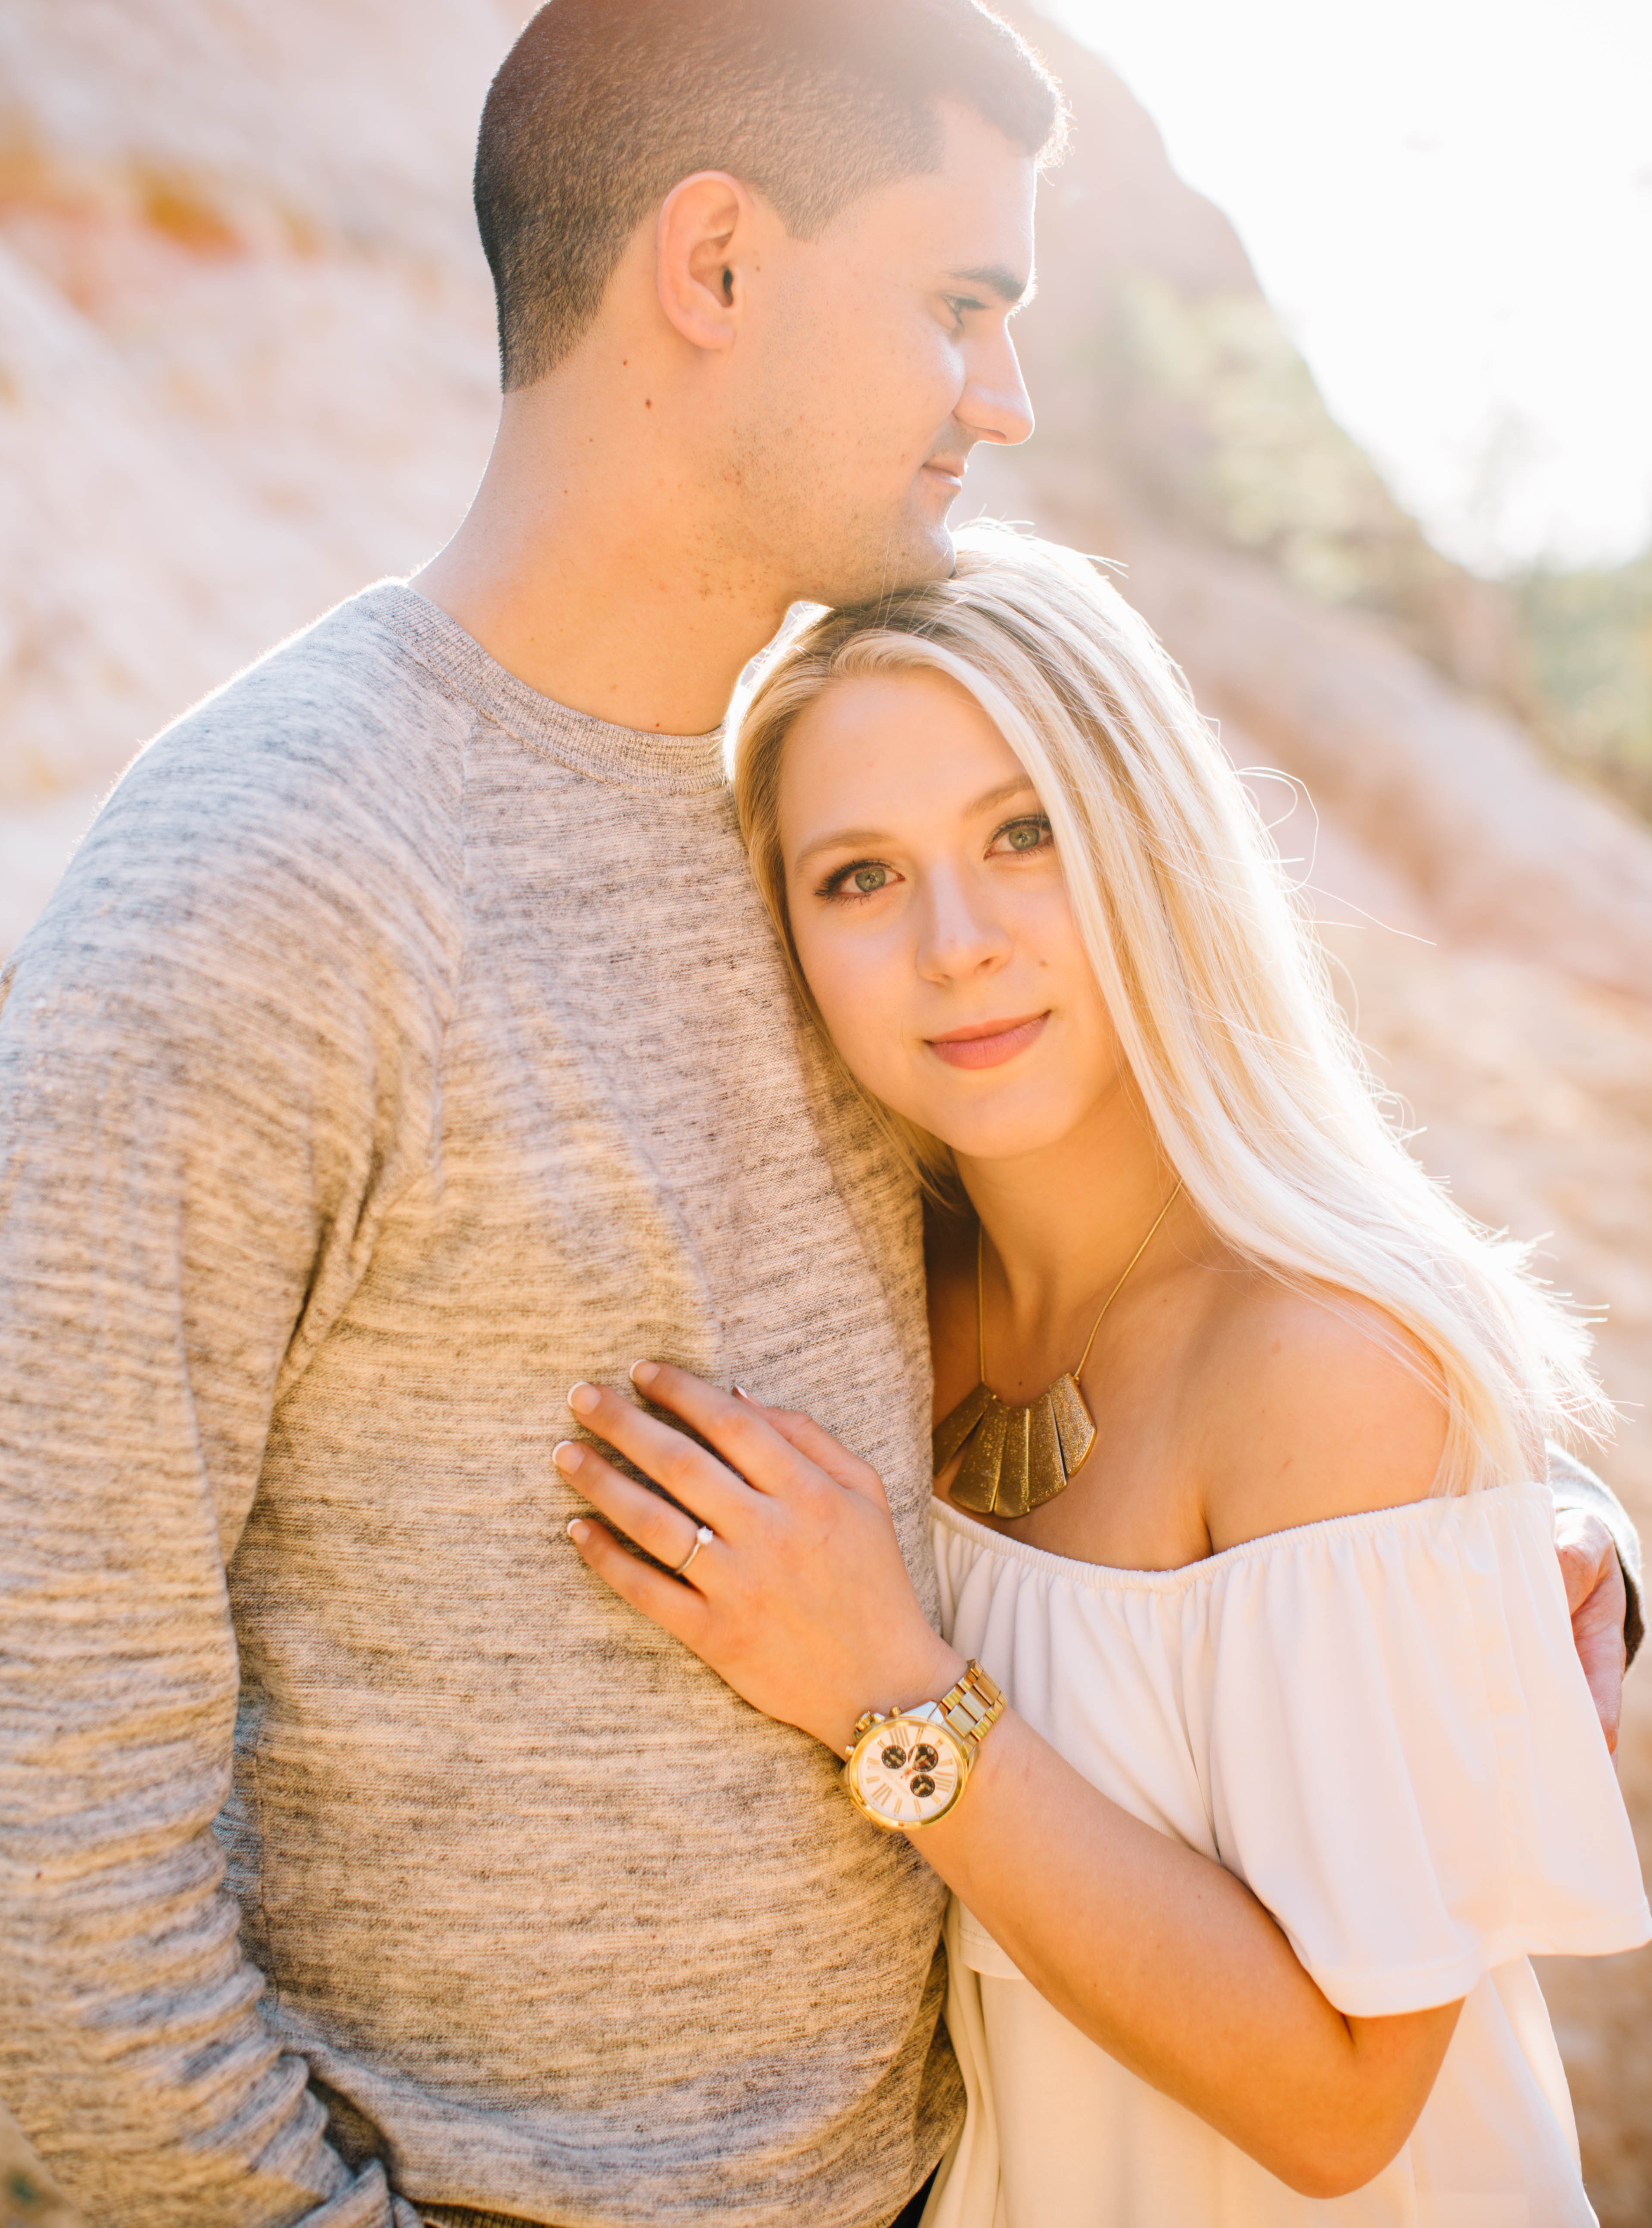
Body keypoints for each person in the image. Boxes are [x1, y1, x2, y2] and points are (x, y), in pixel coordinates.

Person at [0, 0, 1635, 2228]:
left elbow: (1107, 1346)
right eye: (962, 302)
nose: (1009, 394)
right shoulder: (262, 893)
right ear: (717, 265)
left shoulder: (816, 838)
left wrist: (1493, 1560)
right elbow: (49, 1780)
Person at [553, 529, 1652, 2226]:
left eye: (1025, 833)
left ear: (1152, 845)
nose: (959, 943)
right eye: (861, 875)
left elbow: (1343, 2109)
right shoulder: (873, 1307)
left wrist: (882, 1687)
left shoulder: (1325, 1364)